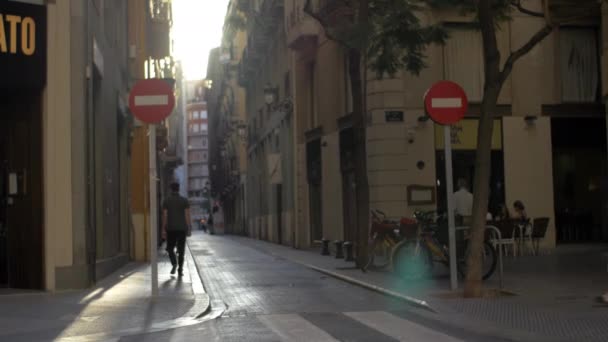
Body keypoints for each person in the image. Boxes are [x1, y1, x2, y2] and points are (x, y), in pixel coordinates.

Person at [162, 182, 191, 277]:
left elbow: (165, 216)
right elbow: (187, 215)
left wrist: (163, 228)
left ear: (171, 189)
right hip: (182, 229)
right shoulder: (184, 200)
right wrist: (189, 227)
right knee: (181, 250)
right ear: (178, 189)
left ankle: (174, 263)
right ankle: (180, 270)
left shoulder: (166, 201)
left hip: (170, 228)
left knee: (170, 248)